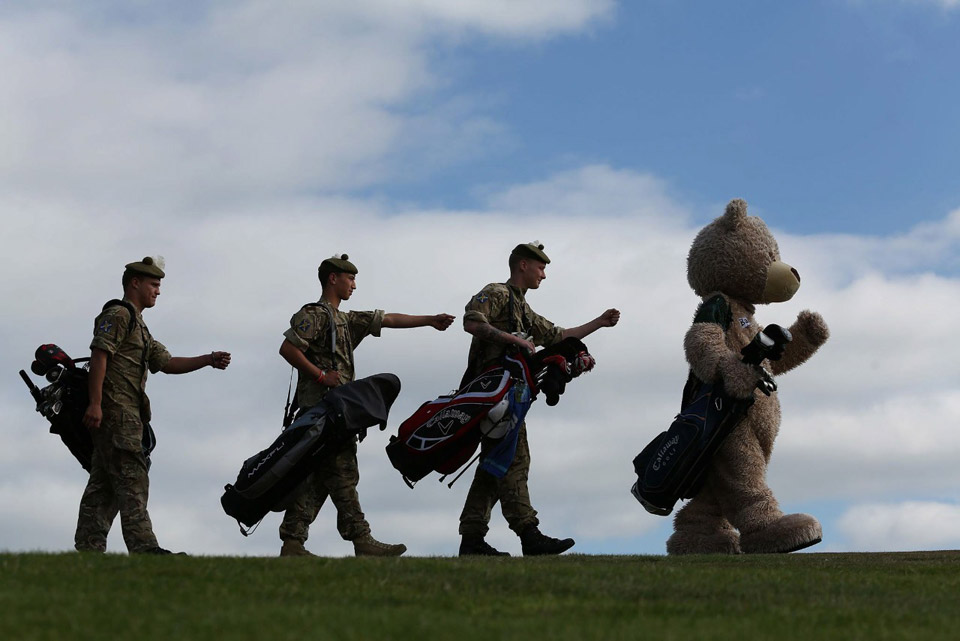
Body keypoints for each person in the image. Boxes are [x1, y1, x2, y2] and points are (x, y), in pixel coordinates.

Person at [278, 253, 455, 557]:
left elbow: (387, 319)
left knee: (319, 478)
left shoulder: (345, 320)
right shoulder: (316, 314)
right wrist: (321, 376)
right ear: (333, 278)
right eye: (350, 278)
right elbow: (288, 348)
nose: (354, 285)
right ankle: (362, 539)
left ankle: (293, 541)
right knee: (344, 472)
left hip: (337, 413)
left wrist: (429, 321)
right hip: (321, 413)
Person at [458, 242, 620, 556]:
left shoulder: (522, 307)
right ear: (523, 265)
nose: (543, 275)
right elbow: (472, 322)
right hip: (491, 394)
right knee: (515, 461)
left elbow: (558, 336)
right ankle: (529, 534)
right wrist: (512, 338)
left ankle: (472, 539)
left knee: (494, 466)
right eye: (540, 267)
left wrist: (598, 322)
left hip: (509, 397)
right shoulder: (497, 293)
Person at [76, 257, 231, 555]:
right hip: (117, 414)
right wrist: (95, 403)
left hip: (126, 417)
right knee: (133, 478)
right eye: (154, 284)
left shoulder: (140, 327)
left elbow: (166, 362)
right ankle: (145, 549)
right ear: (135, 282)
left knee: (103, 486)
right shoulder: (119, 315)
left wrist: (208, 360)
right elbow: (99, 354)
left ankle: (88, 550)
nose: (158, 291)